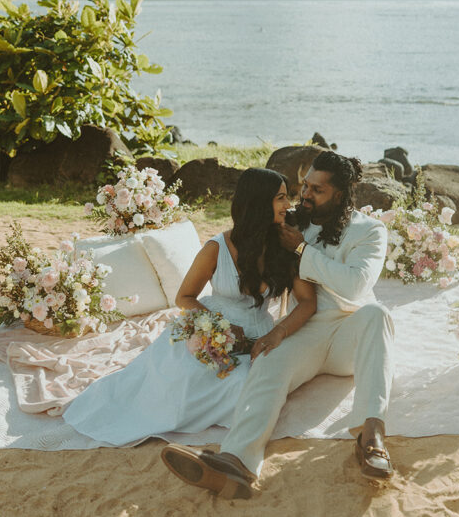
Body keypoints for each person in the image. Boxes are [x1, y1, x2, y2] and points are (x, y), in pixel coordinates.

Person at [161, 151, 395, 499]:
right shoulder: (292, 221)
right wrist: (275, 330)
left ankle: (371, 435)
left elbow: (356, 287)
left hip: (351, 332)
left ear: (340, 194)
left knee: (378, 313)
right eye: (306, 186)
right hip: (307, 327)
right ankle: (236, 463)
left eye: (318, 190)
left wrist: (303, 250)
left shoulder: (369, 231)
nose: (306, 196)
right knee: (267, 359)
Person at [63, 169, 317, 450]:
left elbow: (307, 300)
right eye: (280, 198)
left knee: (250, 388)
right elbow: (184, 297)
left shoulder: (285, 244)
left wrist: (278, 333)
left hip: (261, 336)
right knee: (180, 386)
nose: (287, 205)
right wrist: (216, 328)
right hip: (211, 329)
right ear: (258, 202)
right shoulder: (216, 248)